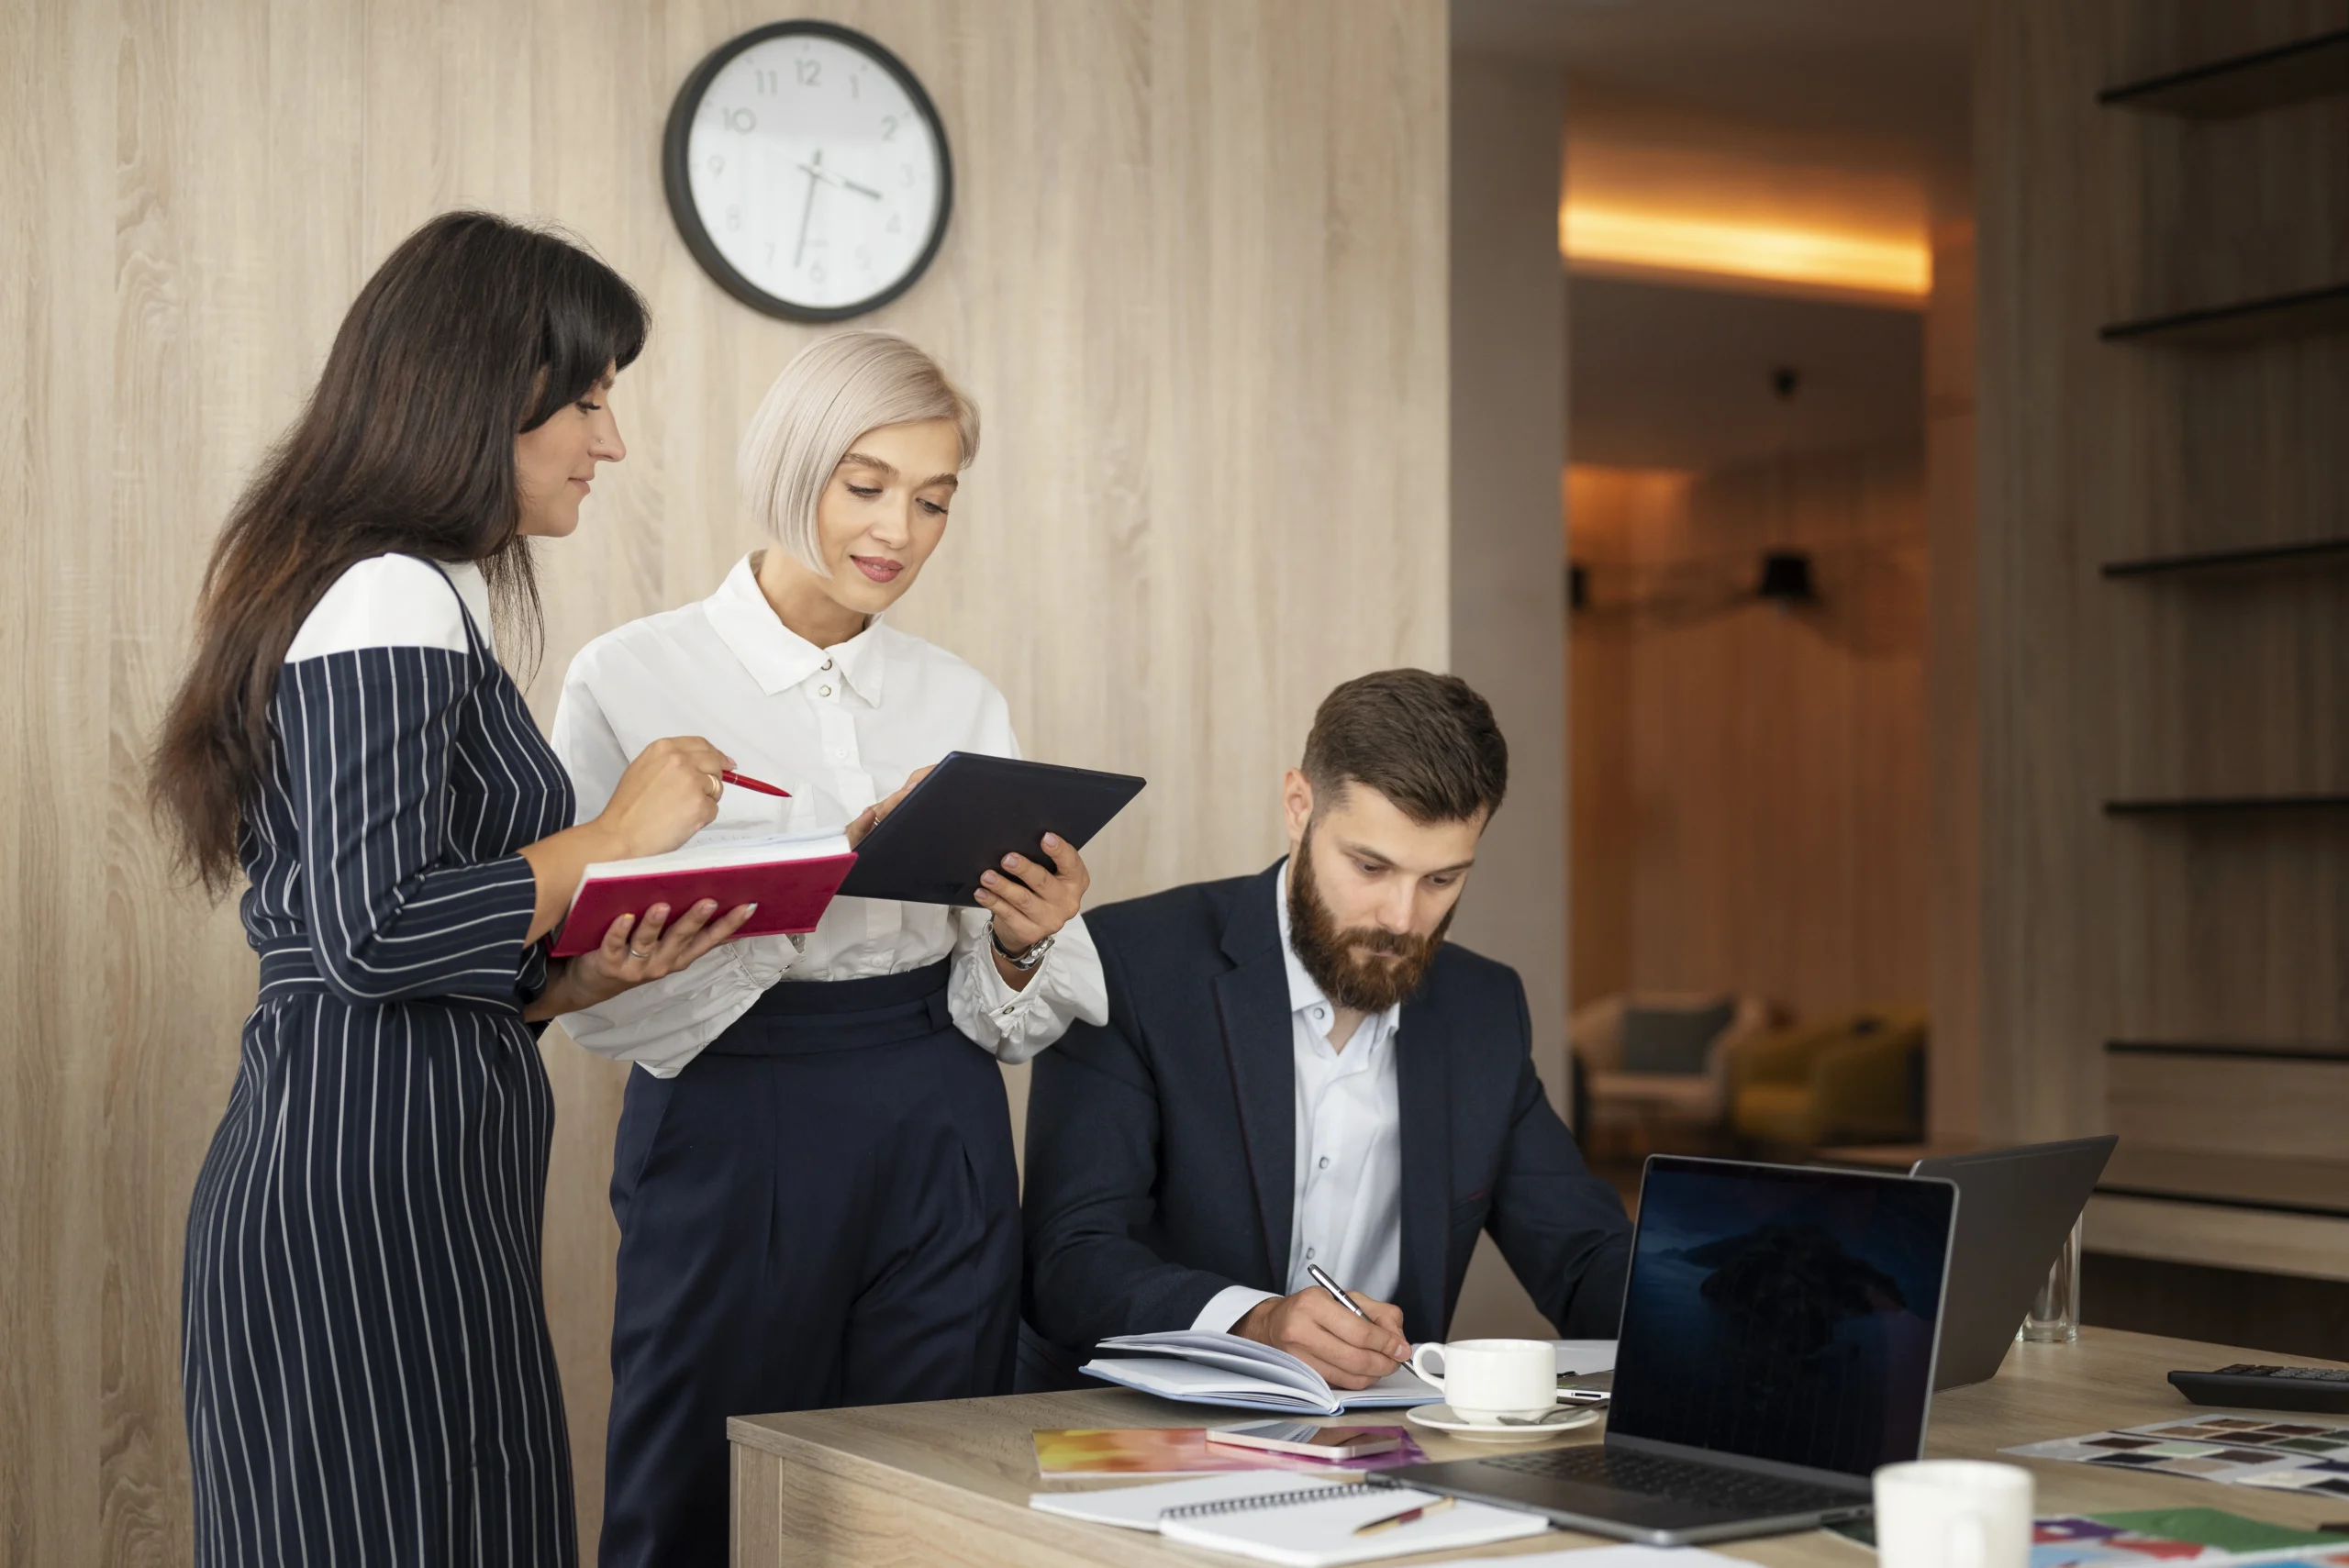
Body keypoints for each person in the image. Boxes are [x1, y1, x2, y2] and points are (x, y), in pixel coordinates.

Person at [152, 211, 762, 1567]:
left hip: (405, 1179)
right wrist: (609, 832)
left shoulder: (401, 591)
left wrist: (569, 981)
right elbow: (367, 934)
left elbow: (387, 934)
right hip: (362, 1198)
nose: (612, 442)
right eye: (592, 401)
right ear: (490, 392)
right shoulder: (390, 593)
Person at [550, 331, 1108, 1568]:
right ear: (791, 466)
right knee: (693, 1495)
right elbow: (585, 997)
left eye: (934, 499)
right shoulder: (631, 676)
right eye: (866, 485)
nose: (897, 530)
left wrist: (1027, 937)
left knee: (927, 1502)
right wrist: (808, 873)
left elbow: (1000, 1002)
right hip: (731, 1114)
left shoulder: (961, 696)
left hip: (941, 1115)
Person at [1021, 669, 1633, 1389]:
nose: (1402, 919)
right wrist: (1256, 1320)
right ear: (1298, 805)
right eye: (1370, 866)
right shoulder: (1130, 964)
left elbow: (1583, 1253)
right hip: (1144, 1434)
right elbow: (1069, 1260)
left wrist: (1731, 1308)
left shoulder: (1483, 1007)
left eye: (1442, 879)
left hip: (1393, 1446)